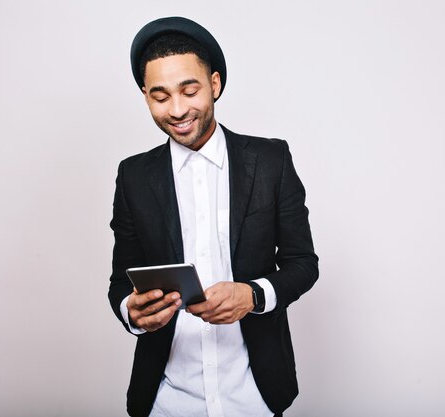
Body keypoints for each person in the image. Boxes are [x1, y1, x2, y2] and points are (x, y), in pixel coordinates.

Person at [108, 16, 318, 417]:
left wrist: (252, 295)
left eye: (190, 90)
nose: (178, 109)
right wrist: (130, 311)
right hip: (166, 397)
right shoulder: (132, 176)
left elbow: (303, 264)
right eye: (160, 96)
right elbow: (121, 280)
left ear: (215, 84)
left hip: (253, 394)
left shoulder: (271, 161)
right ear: (145, 95)